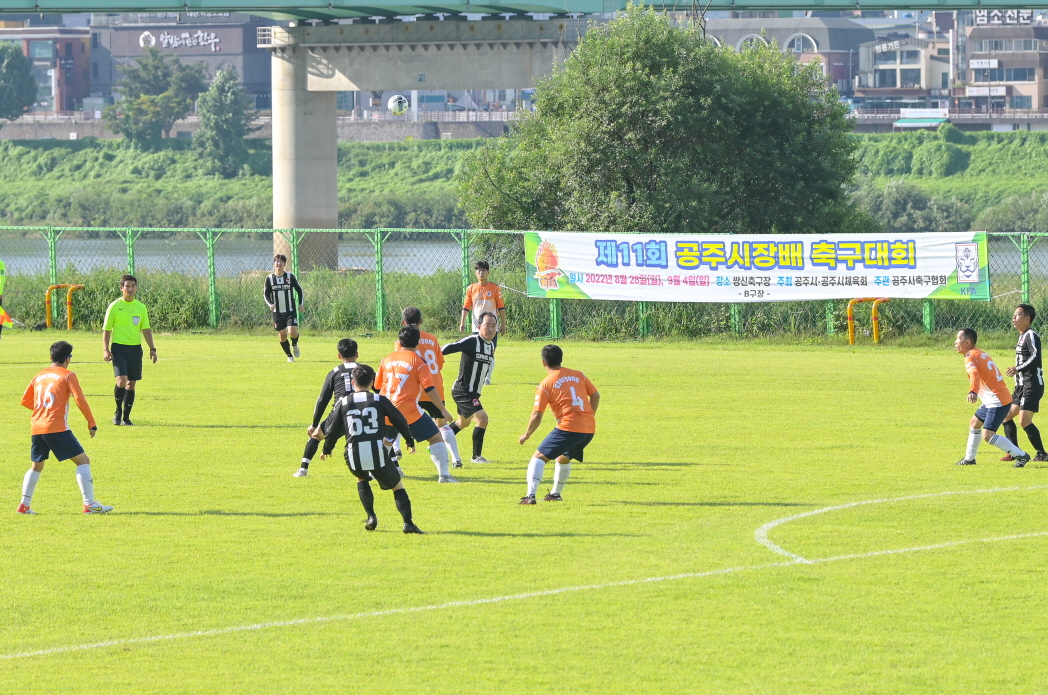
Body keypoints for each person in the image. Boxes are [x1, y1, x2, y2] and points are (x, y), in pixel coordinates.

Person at [311, 364, 425, 534]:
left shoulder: (343, 402)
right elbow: (399, 420)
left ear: (353, 382)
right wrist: (409, 440)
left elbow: (333, 430)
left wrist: (327, 449)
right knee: (397, 486)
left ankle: (371, 516)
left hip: (353, 453)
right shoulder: (379, 399)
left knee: (362, 478)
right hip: (376, 451)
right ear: (372, 383)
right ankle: (408, 524)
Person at [18, 341, 112, 514]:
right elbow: (79, 399)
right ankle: (89, 504)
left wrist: (43, 410)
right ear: (68, 359)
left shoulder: (39, 375)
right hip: (56, 427)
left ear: (51, 357)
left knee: (36, 466)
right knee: (83, 461)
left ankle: (24, 506)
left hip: (37, 426)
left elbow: (25, 400)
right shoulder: (68, 375)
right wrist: (91, 422)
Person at [518, 344, 600, 504]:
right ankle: (555, 494)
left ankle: (530, 496)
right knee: (563, 457)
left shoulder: (545, 384)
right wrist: (589, 416)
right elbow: (595, 395)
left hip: (569, 427)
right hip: (589, 429)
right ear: (561, 359)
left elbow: (537, 414)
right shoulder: (579, 375)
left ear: (543, 362)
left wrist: (526, 434)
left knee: (538, 458)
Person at [376, 326, 458, 483]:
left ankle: (375, 472)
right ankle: (444, 475)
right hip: (408, 409)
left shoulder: (386, 359)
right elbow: (430, 388)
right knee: (436, 438)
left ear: (399, 342)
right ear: (418, 343)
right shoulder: (418, 361)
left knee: (388, 439)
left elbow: (378, 385)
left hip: (385, 408)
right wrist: (442, 410)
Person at [393, 307, 462, 468]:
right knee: (441, 423)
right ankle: (456, 459)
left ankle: (396, 449)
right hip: (434, 387)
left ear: (403, 322)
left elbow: (401, 364)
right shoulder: (432, 338)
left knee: (396, 418)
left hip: (413, 388)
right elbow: (439, 364)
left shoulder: (401, 341)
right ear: (421, 321)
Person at [954, 328, 1030, 467]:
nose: (955, 342)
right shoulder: (980, 353)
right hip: (994, 398)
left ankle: (1021, 455)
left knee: (988, 435)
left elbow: (974, 375)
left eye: (958, 339)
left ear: (968, 342)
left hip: (997, 401)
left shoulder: (970, 356)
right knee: (974, 423)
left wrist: (973, 391)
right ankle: (970, 459)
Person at [294, 338, 360, 477]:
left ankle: (303, 469)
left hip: (340, 412)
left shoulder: (334, 372)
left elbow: (322, 400)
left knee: (316, 435)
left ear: (339, 356)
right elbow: (380, 389)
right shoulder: (365, 370)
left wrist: (314, 424)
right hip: (362, 410)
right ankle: (393, 467)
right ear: (357, 355)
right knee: (376, 437)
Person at [442, 312, 498, 464]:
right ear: (479, 326)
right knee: (483, 419)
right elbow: (450, 346)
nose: (491, 329)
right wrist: (434, 356)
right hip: (463, 390)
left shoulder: (491, 346)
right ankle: (476, 457)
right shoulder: (472, 341)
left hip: (474, 392)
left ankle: (437, 441)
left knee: (463, 423)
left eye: (494, 326)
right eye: (487, 325)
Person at [102, 275, 157, 426]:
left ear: (136, 288)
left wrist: (152, 348)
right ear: (122, 288)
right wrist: (106, 349)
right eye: (127, 286)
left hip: (135, 349)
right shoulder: (114, 306)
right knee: (121, 381)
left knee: (131, 384)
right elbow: (107, 329)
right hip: (119, 348)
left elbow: (146, 329)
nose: (130, 289)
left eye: (133, 286)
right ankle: (118, 411)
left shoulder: (141, 307)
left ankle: (126, 418)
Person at [1000, 304, 1047, 463]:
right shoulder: (1022, 336)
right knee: (1006, 417)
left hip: (1032, 384)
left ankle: (1042, 454)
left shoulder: (1031, 335)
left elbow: (1035, 356)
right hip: (1021, 386)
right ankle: (1014, 452)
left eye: (1018, 314)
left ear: (1027, 318)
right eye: (1014, 314)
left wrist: (1017, 368)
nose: (1014, 317)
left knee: (1024, 421)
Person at [459, 260, 507, 383]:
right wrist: (462, 322)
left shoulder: (495, 288)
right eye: (479, 270)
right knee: (476, 352)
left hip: (491, 327)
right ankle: (476, 375)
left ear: (488, 272)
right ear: (476, 273)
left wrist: (503, 323)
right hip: (477, 327)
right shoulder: (471, 288)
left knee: (489, 352)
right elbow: (466, 306)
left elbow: (501, 306)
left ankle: (487, 378)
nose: (481, 272)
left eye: (483, 270)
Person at [263, 254, 304, 362]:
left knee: (292, 332)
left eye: (281, 262)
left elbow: (299, 290)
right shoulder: (269, 278)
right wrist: (270, 304)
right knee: (282, 335)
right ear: (274, 264)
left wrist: (300, 303)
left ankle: (295, 344)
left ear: (285, 264)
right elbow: (266, 294)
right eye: (277, 262)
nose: (279, 264)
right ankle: (289, 356)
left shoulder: (290, 277)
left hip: (290, 310)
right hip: (277, 313)